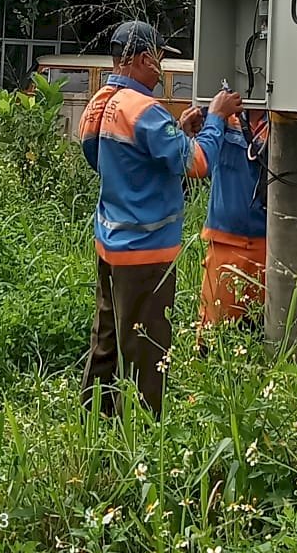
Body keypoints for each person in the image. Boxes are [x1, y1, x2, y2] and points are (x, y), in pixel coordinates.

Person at [78, 20, 242, 416]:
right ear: (136, 59)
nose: (160, 68)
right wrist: (217, 119)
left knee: (107, 342)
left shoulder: (101, 101)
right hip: (146, 253)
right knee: (147, 353)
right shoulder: (145, 110)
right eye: (156, 60)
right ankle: (142, 439)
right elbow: (197, 163)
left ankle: (92, 424)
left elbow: (107, 158)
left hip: (110, 243)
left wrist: (177, 132)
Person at [198, 108, 269, 338]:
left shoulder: (286, 117)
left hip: (271, 242)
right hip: (224, 240)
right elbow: (197, 158)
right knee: (214, 333)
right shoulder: (221, 113)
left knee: (265, 332)